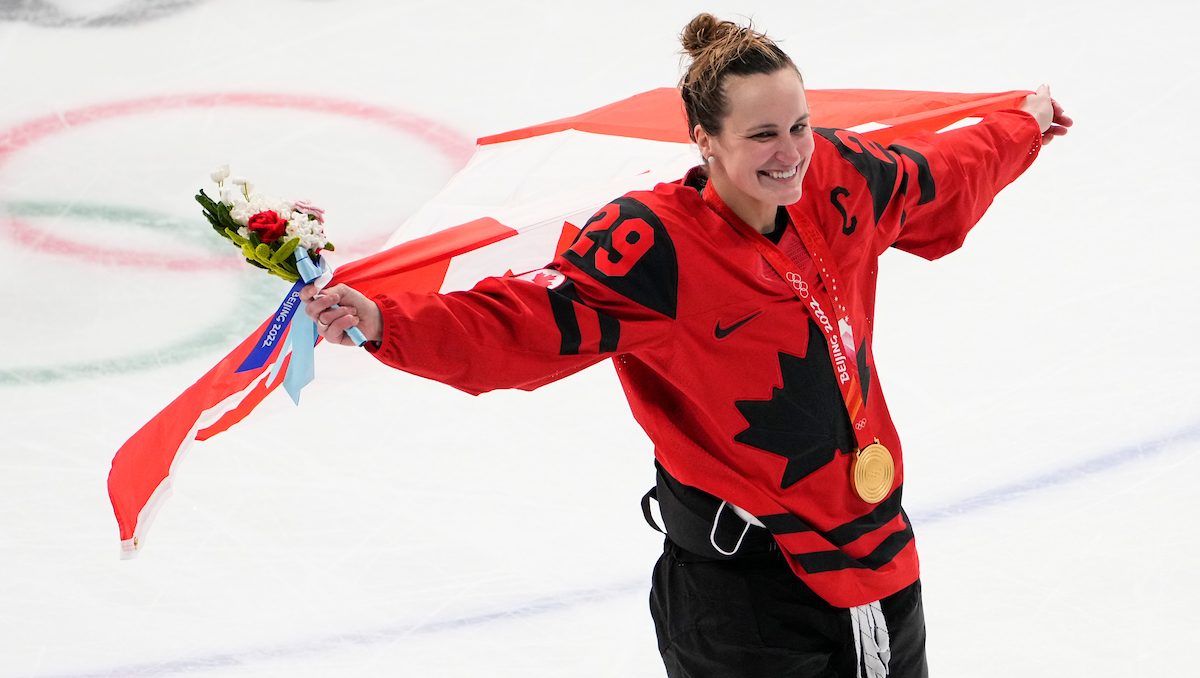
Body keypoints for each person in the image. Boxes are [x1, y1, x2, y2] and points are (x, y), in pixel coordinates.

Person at [300, 12, 1071, 678]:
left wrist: (1020, 125)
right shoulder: (654, 248)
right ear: (702, 140)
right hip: (744, 602)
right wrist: (382, 322)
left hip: (874, 555)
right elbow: (526, 324)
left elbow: (936, 175)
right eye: (762, 135)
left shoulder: (838, 177)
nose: (791, 152)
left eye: (798, 125)